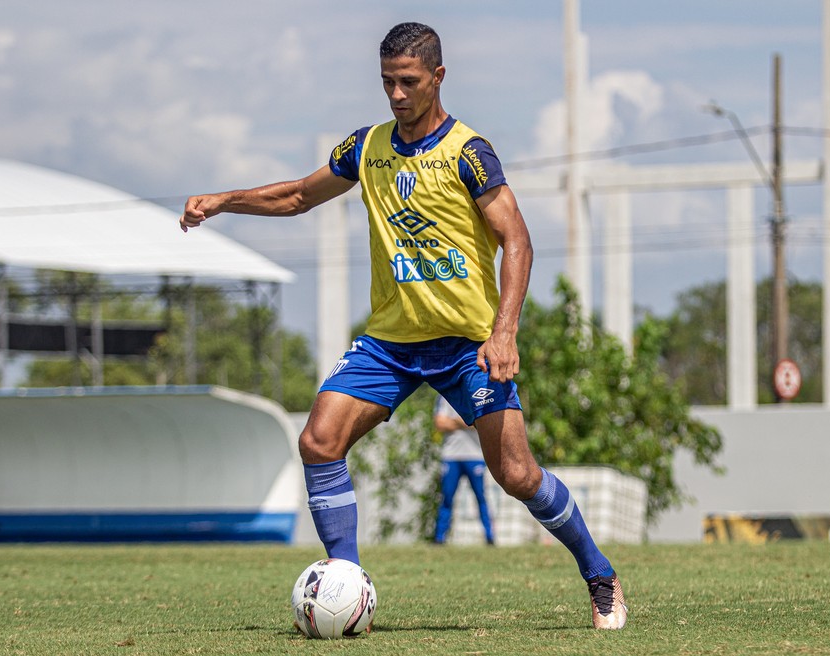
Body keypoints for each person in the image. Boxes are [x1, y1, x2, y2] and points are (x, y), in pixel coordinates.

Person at [180, 22, 627, 630]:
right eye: (387, 81)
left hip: (468, 345)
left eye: (408, 82)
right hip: (391, 343)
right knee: (318, 441)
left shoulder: (469, 152)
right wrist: (223, 200)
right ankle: (347, 586)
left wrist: (504, 332)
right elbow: (297, 197)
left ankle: (599, 575)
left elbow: (516, 241)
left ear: (437, 77)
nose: (395, 93)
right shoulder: (367, 147)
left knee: (517, 475)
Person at [432, 394, 494, 546]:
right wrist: (464, 421)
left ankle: (490, 537)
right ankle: (439, 538)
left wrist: (453, 422)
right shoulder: (443, 396)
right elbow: (440, 424)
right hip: (451, 456)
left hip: (474, 455)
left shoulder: (475, 394)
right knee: (447, 497)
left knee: (481, 497)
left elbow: (482, 422)